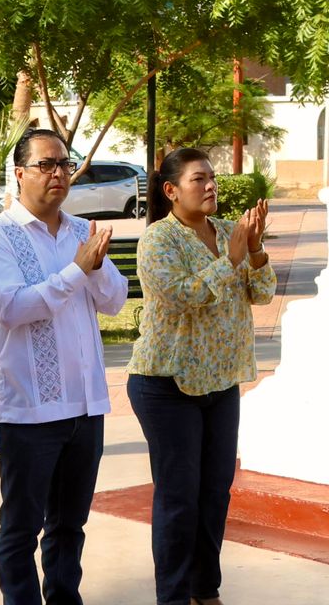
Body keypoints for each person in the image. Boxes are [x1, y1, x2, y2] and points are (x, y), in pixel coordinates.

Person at [0, 127, 129, 605]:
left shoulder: (82, 231)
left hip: (84, 406)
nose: (58, 173)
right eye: (45, 164)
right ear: (20, 174)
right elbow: (13, 308)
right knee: (22, 527)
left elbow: (115, 301)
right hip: (28, 409)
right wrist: (77, 270)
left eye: (64, 164)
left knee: (69, 526)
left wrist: (93, 268)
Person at [126, 148, 275, 605]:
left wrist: (254, 249)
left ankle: (204, 591)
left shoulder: (230, 232)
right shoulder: (158, 240)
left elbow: (262, 294)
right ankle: (173, 597)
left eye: (212, 177)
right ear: (171, 190)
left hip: (221, 382)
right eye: (198, 179)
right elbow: (182, 296)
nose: (211, 185)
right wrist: (230, 260)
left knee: (214, 494)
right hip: (167, 385)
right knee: (179, 499)